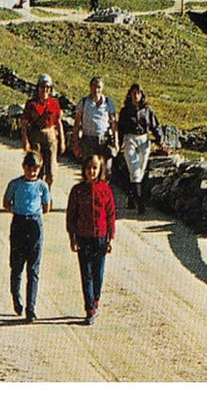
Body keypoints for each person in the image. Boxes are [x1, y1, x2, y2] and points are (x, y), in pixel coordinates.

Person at [66, 154, 117, 325]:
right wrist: (72, 236)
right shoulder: (78, 191)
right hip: (83, 237)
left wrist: (111, 237)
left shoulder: (105, 190)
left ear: (100, 169)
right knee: (86, 274)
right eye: (89, 168)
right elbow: (71, 216)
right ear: (84, 170)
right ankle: (89, 308)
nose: (91, 171)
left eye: (95, 168)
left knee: (98, 273)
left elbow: (110, 215)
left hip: (101, 237)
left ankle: (95, 299)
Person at [2, 151, 51, 321]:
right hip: (19, 223)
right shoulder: (15, 184)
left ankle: (31, 308)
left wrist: (34, 213)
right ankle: (16, 298)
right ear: (24, 167)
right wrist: (18, 212)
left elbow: (47, 206)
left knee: (33, 269)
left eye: (35, 169)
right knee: (16, 266)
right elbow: (6, 202)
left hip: (35, 224)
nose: (32, 172)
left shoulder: (42, 186)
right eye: (29, 168)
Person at [116, 83, 165, 213]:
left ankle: (131, 197)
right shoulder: (125, 111)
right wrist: (118, 144)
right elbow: (120, 129)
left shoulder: (147, 110)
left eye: (138, 93)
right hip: (130, 139)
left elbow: (155, 126)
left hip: (144, 140)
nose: (136, 95)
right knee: (134, 169)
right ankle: (140, 202)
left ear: (142, 94)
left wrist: (161, 141)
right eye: (134, 93)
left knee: (141, 171)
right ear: (130, 94)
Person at [21, 74, 63, 185]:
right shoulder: (31, 104)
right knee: (36, 167)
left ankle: (47, 194)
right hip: (35, 136)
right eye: (42, 87)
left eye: (47, 87)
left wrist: (62, 141)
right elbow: (24, 124)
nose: (45, 90)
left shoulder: (54, 103)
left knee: (51, 170)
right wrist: (25, 140)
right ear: (38, 88)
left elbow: (58, 121)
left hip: (50, 136)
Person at [74, 76, 118, 173]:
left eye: (99, 87)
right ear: (90, 87)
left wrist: (116, 142)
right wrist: (76, 144)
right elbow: (77, 124)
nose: (96, 90)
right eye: (94, 86)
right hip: (88, 140)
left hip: (104, 140)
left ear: (102, 88)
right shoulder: (83, 102)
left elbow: (113, 124)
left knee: (106, 170)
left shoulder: (109, 103)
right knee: (88, 170)